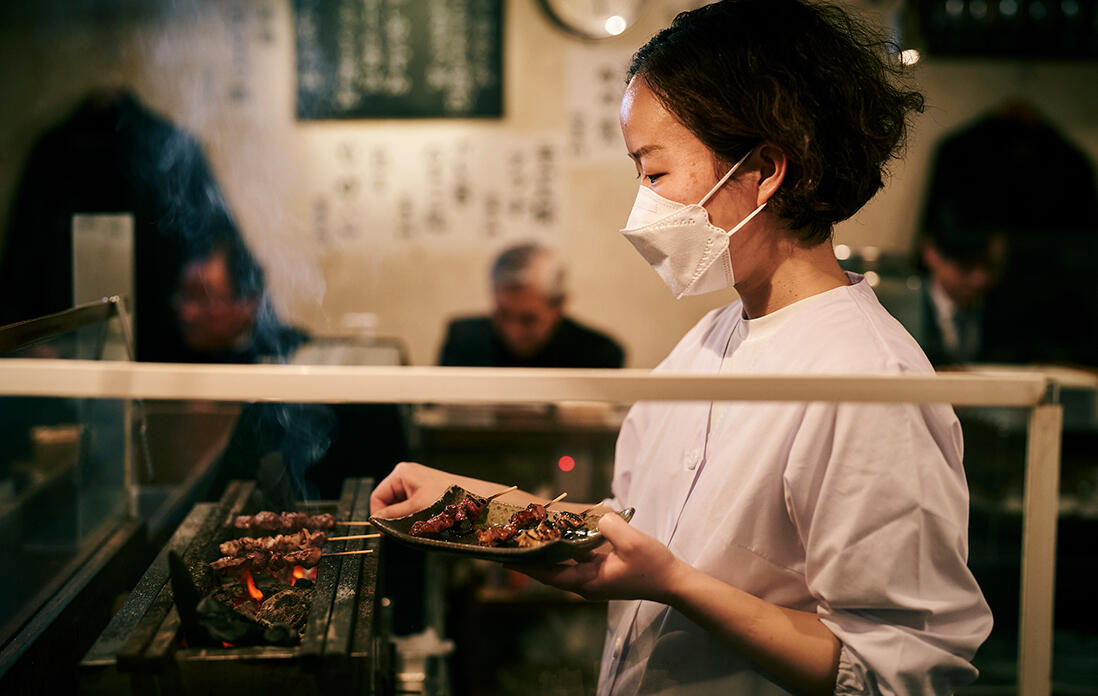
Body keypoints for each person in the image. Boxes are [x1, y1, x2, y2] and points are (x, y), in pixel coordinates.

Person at [373, 1, 991, 693]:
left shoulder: (869, 379)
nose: (643, 205)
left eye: (655, 173)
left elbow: (901, 671)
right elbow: (638, 526)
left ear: (764, 168)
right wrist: (463, 503)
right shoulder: (713, 337)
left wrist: (676, 586)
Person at [915, 103, 1098, 366]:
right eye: (966, 266)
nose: (979, 279)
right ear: (931, 253)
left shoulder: (1014, 315)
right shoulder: (901, 309)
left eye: (990, 267)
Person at [438, 242, 625, 368]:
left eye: (528, 320)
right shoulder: (463, 342)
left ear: (559, 304)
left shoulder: (598, 354)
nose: (514, 331)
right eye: (503, 315)